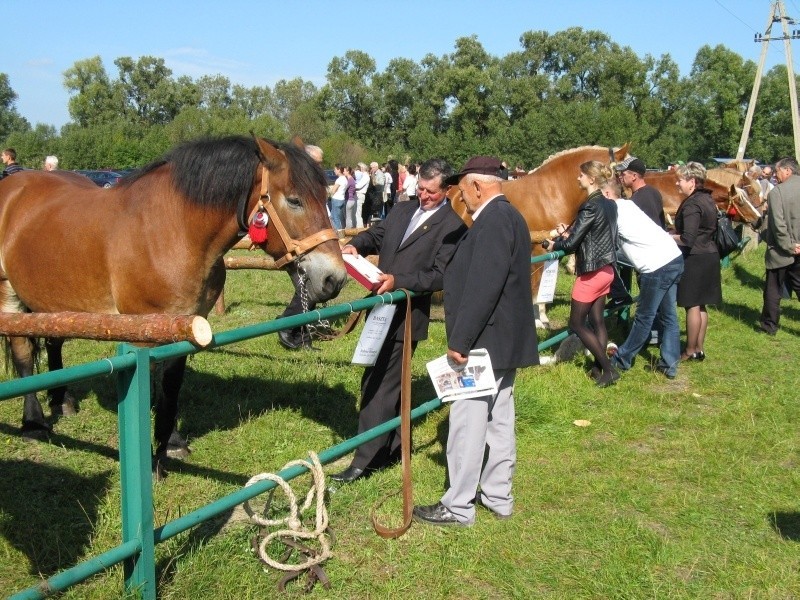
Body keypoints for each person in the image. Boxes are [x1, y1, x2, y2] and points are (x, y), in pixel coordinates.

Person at [412, 156, 538, 527]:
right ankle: (498, 495)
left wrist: (461, 340)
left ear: (479, 186)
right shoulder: (509, 216)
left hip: (484, 340)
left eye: (463, 189)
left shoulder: (494, 221)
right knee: (500, 420)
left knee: (468, 422)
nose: (461, 198)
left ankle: (458, 505)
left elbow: (485, 285)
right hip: (503, 339)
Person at [330, 158, 467, 483]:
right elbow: (376, 234)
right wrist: (354, 246)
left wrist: (398, 281)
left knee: (381, 387)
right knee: (379, 382)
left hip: (406, 317)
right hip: (380, 311)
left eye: (431, 192)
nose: (423, 195)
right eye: (420, 188)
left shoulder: (453, 226)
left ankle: (364, 461)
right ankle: (392, 446)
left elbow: (438, 276)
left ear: (447, 190)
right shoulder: (403, 210)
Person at [542, 161, 619, 387]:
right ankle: (598, 369)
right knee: (597, 321)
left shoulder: (588, 206)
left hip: (591, 273)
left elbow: (572, 245)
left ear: (591, 179)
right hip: (608, 268)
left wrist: (553, 245)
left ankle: (608, 368)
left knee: (576, 324)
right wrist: (569, 235)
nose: (578, 179)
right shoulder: (610, 204)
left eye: (581, 175)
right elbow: (594, 235)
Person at [602, 179, 684, 379]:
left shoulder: (614, 212)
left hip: (656, 267)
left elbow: (603, 240)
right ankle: (670, 364)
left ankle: (622, 360)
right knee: (669, 315)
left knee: (644, 317)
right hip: (674, 258)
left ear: (606, 195)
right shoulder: (629, 205)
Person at [277, 144, 326, 350]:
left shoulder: (312, 183)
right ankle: (287, 326)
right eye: (316, 163)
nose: (319, 167)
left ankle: (300, 332)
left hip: (317, 239)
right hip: (301, 242)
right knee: (307, 286)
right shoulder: (296, 184)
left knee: (311, 286)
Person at [672, 162, 721, 360]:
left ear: (692, 181)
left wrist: (668, 236)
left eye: (680, 180)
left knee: (691, 304)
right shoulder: (708, 198)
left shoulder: (692, 203)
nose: (677, 184)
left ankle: (690, 350)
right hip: (709, 254)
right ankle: (699, 348)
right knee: (701, 305)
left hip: (695, 258)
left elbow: (687, 238)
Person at [608, 156, 665, 313]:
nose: (620, 176)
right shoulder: (654, 192)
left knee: (605, 255)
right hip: (660, 254)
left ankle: (619, 294)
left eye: (623, 173)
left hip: (646, 256)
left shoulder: (637, 200)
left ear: (634, 176)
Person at [757, 157, 800, 335]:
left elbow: (778, 224)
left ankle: (769, 326)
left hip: (781, 251)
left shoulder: (777, 193)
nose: (775, 175)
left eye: (777, 171)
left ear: (788, 171)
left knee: (773, 290)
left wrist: (789, 246)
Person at [329, 164, 347, 232]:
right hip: (342, 199)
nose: (334, 171)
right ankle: (341, 230)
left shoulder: (339, 179)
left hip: (336, 199)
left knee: (334, 217)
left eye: (335, 169)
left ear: (339, 170)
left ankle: (338, 232)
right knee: (339, 217)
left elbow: (333, 190)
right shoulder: (345, 179)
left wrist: (330, 194)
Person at [354, 163, 369, 227]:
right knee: (357, 212)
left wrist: (352, 186)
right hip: (359, 194)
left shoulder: (365, 176)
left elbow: (359, 185)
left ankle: (359, 227)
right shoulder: (362, 176)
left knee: (358, 213)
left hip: (360, 194)